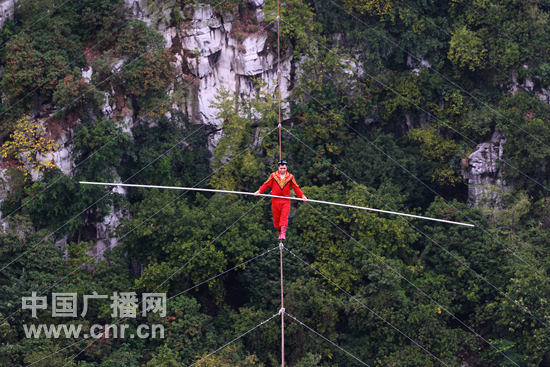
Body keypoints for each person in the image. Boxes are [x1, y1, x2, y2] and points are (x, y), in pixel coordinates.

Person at [254, 160, 307, 240]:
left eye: (284, 168)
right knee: (276, 217)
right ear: (278, 167)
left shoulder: (290, 177)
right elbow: (266, 184)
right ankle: (279, 232)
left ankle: (283, 233)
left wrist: (302, 196)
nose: (283, 170)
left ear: (286, 168)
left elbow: (296, 187)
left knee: (284, 216)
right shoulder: (273, 176)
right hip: (275, 200)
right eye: (281, 168)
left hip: (285, 200)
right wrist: (259, 191)